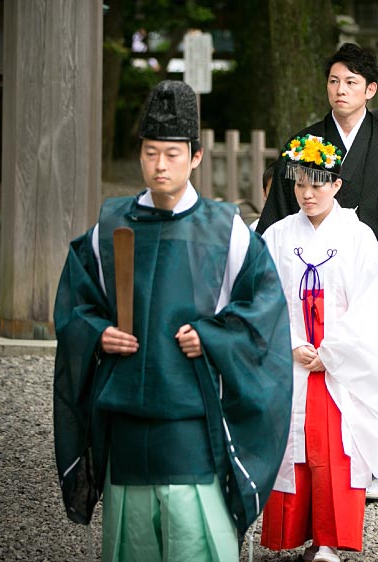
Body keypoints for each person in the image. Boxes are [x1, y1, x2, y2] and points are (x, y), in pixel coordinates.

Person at [52, 80, 294, 561]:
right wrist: (98, 334)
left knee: (195, 544)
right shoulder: (110, 225)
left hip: (192, 422)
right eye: (150, 153)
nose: (159, 165)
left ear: (196, 157)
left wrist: (212, 336)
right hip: (125, 423)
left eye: (172, 154)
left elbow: (264, 313)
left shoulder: (226, 230)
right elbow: (74, 306)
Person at [260, 134, 378, 562]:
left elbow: (373, 305)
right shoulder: (276, 234)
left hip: (341, 366)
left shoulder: (359, 236)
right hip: (291, 361)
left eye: (318, 184)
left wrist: (330, 352)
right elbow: (261, 297)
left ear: (337, 185)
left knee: (334, 450)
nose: (308, 193)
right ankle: (293, 532)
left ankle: (329, 540)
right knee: (295, 447)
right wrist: (290, 344)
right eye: (301, 184)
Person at [257, 43, 378, 325]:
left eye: (350, 82)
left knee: (366, 352)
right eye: (334, 82)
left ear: (370, 89)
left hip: (374, 272)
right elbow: (280, 213)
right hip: (312, 269)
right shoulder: (303, 145)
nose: (340, 90)